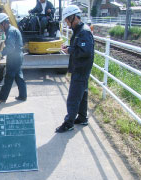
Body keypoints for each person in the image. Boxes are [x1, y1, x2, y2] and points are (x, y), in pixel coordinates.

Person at [55, 5, 94, 133]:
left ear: (74, 17)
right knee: (82, 94)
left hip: (81, 69)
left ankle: (68, 123)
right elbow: (79, 47)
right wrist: (69, 47)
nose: (66, 22)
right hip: (80, 68)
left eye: (67, 19)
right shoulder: (79, 30)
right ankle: (82, 118)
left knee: (73, 97)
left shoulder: (84, 31)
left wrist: (70, 50)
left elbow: (86, 51)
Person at [0, 13, 27, 103]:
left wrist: (0, 54)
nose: (0, 27)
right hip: (18, 56)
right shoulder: (12, 30)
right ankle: (23, 96)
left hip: (14, 58)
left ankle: (2, 98)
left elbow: (10, 47)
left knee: (9, 78)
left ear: (4, 23)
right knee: (19, 77)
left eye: (0, 25)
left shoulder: (11, 32)